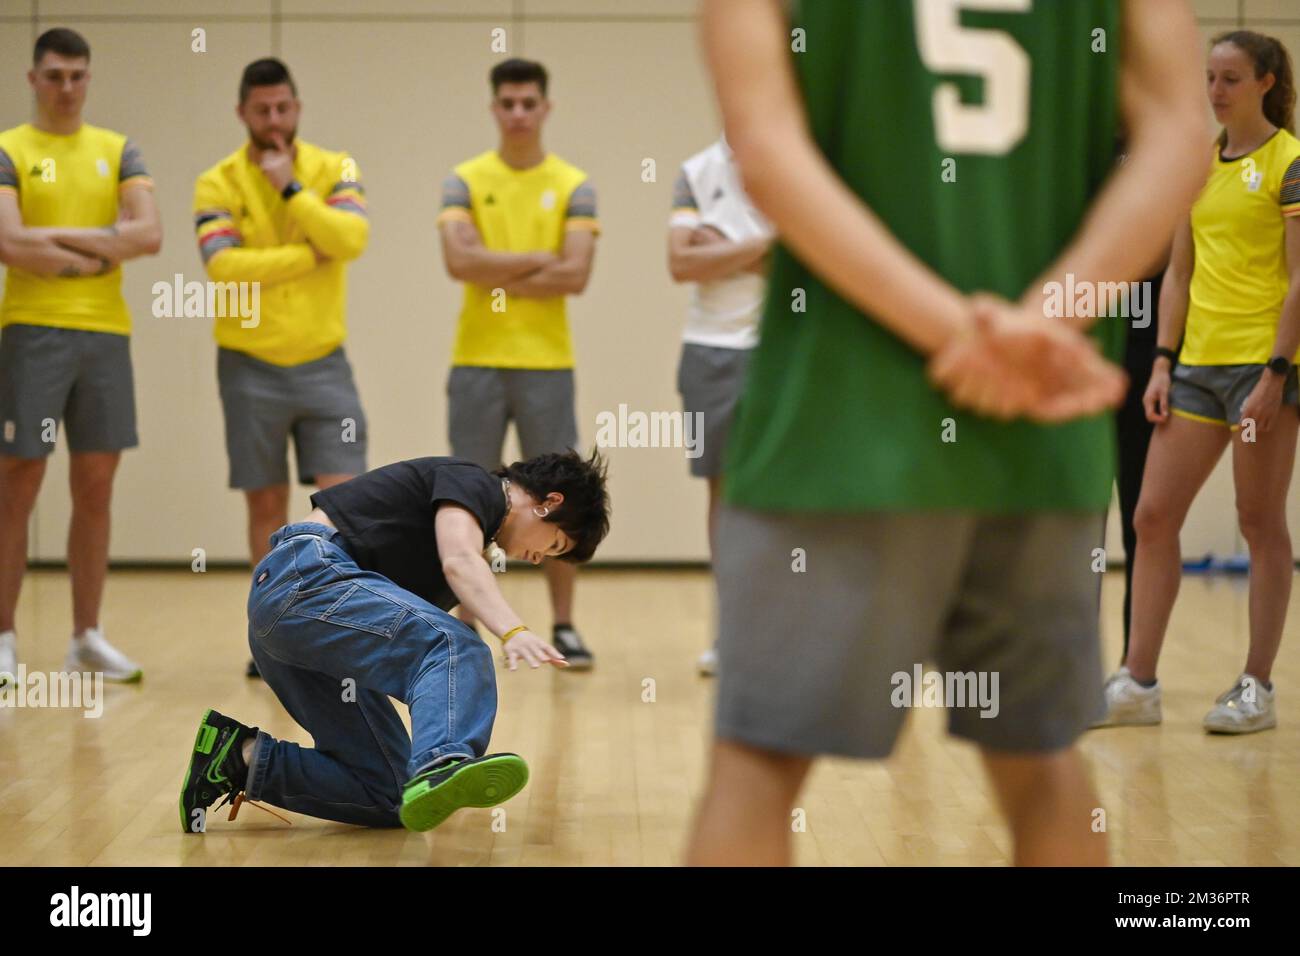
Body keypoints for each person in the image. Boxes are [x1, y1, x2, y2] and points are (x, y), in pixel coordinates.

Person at [686, 0, 1206, 866]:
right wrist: (1045, 325)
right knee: (1041, 763)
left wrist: (960, 335)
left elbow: (768, 154)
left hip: (840, 425)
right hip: (1042, 419)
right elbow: (1180, 134)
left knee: (759, 767)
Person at [179, 450, 610, 833]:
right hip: (305, 580)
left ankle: (239, 757)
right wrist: (513, 630)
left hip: (298, 630)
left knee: (389, 792)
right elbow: (460, 561)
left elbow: (410, 632)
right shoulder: (475, 483)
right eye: (553, 544)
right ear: (549, 502)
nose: (538, 559)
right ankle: (443, 763)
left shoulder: (474, 529)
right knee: (455, 646)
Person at [1099, 30, 1300, 734]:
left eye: (1231, 79)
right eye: (1210, 79)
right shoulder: (1197, 164)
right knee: (1152, 518)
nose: (1215, 92)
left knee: (1256, 520)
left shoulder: (1291, 162)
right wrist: (1161, 360)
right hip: (1194, 370)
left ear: (1267, 83)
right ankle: (1138, 682)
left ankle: (1257, 687)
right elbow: (1178, 273)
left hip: (1259, 370)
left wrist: (1277, 372)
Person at [193, 58, 370, 679]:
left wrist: (293, 188)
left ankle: (342, 633)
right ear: (242, 113)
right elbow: (222, 268)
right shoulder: (217, 182)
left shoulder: (334, 169)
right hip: (249, 366)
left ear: (298, 107)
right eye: (262, 110)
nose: (274, 120)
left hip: (325, 362)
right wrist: (307, 253)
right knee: (265, 505)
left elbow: (350, 241)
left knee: (345, 501)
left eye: (284, 108)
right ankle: (269, 639)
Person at [0, 28, 162, 686]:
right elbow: (9, 243)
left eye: (77, 76)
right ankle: (5, 637)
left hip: (106, 336)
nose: (66, 87)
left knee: (95, 488)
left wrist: (54, 247)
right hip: (32, 333)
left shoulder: (118, 150)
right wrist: (100, 247)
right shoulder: (10, 149)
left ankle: (85, 637)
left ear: (88, 80)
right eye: (54, 75)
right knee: (19, 486)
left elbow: (148, 234)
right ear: (34, 79)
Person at [437, 58, 599, 669]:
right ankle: (465, 626)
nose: (519, 113)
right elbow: (459, 263)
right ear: (494, 108)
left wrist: (494, 261)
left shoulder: (575, 183)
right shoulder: (464, 179)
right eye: (508, 103)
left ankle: (564, 624)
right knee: (467, 498)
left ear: (546, 107)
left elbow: (576, 273)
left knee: (561, 497)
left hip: (547, 363)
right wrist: (539, 259)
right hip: (475, 359)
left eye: (529, 102)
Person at [666, 134, 773, 676]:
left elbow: (812, 266)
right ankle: (730, 636)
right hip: (712, 353)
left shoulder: (806, 155)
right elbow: (681, 263)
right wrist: (763, 244)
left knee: (791, 499)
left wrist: (722, 244)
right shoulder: (697, 168)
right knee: (725, 497)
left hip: (788, 347)